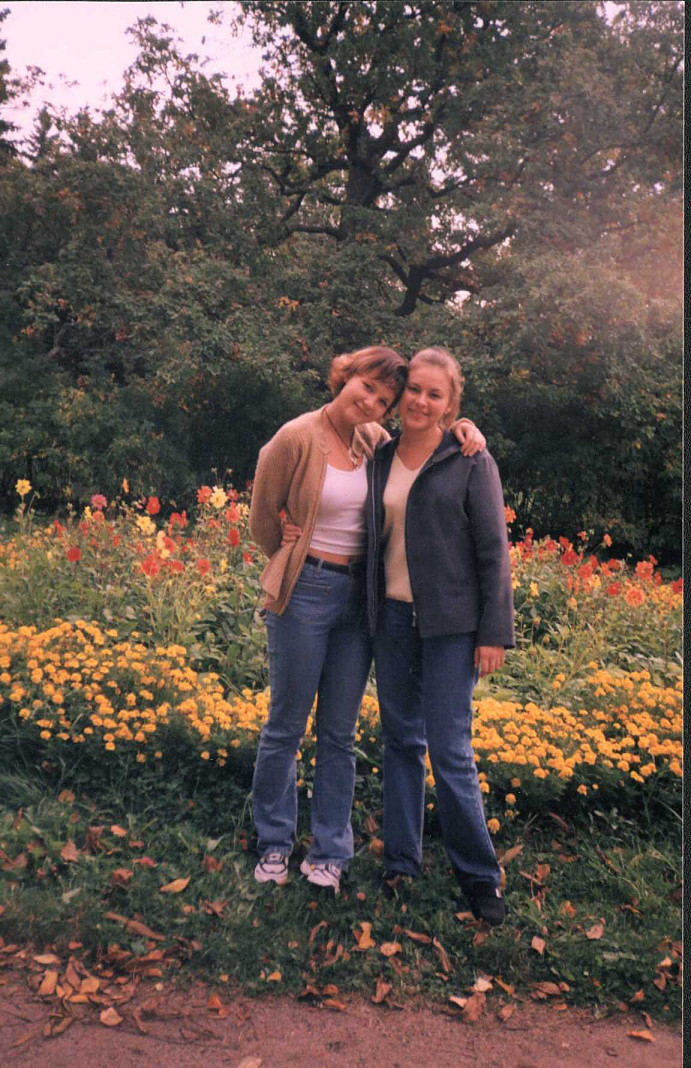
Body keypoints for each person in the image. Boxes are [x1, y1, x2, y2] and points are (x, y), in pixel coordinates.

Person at [248, 346, 486, 893]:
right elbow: (262, 517)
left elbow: (428, 444)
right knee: (286, 726)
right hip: (304, 592)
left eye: (383, 399)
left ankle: (330, 851)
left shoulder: (373, 440)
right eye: (367, 387)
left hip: (359, 600)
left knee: (339, 732)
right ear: (345, 376)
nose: (372, 402)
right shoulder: (295, 437)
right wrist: (286, 543)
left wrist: (465, 428)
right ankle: (275, 842)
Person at [366, 347, 514, 925]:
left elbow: (493, 550)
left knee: (451, 750)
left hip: (452, 628)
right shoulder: (379, 454)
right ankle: (401, 861)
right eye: (415, 390)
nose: (421, 402)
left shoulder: (470, 459)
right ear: (401, 393)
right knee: (401, 741)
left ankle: (480, 877)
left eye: (435, 394)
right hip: (392, 621)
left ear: (450, 406)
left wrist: (493, 632)